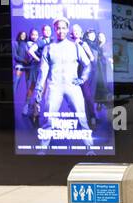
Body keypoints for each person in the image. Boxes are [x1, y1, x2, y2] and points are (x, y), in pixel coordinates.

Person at [33, 17, 92, 152]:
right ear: (55, 29)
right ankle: (42, 149)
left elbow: (88, 65)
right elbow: (43, 71)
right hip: (54, 87)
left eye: (63, 28)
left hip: (72, 86)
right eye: (58, 28)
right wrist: (38, 90)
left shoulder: (76, 47)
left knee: (82, 118)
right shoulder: (48, 48)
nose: (61, 30)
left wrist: (82, 79)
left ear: (67, 29)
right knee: (48, 120)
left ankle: (90, 148)